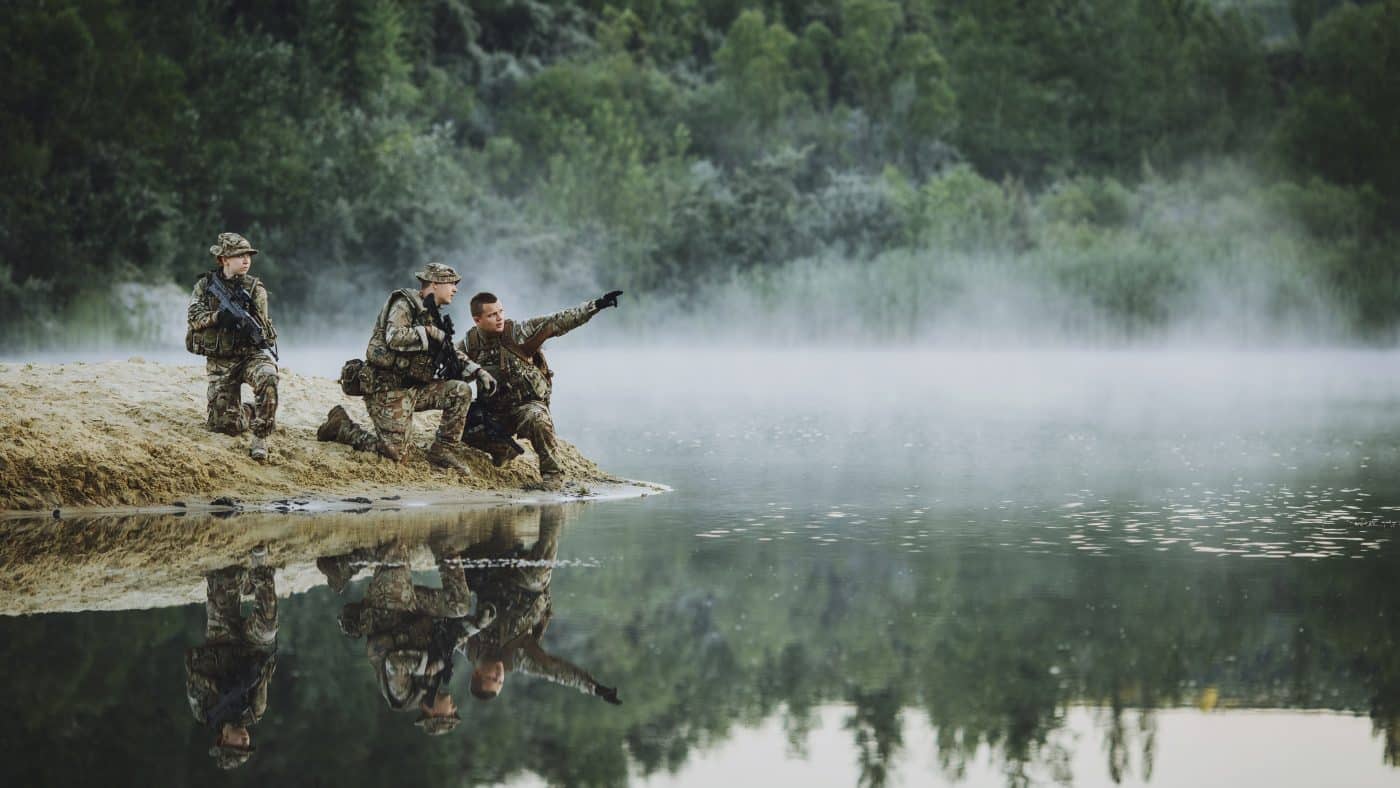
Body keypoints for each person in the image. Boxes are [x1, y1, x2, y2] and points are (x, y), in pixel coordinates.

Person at [316, 263, 496, 473]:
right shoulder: (405, 304)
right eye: (451, 283)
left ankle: (443, 450)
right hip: (388, 389)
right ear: (435, 284)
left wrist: (479, 371)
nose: (455, 289)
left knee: (460, 391)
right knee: (395, 455)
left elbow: (449, 351)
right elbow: (394, 337)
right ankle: (341, 427)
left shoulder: (433, 315)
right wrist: (427, 333)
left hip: (416, 389)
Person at [458, 289, 622, 489]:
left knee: (537, 418)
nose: (500, 317)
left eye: (501, 311)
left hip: (526, 406)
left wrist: (596, 306)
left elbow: (559, 321)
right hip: (493, 412)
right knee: (461, 421)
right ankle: (502, 449)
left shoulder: (518, 331)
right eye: (492, 314)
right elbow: (451, 364)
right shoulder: (469, 344)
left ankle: (553, 476)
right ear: (477, 320)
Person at [334, 539, 495, 735]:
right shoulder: (432, 682)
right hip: (414, 608)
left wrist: (427, 666)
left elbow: (394, 663)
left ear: (432, 713)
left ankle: (345, 565)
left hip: (388, 609)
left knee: (396, 546)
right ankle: (442, 542)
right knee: (460, 605)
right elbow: (449, 642)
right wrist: (478, 625)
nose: (454, 708)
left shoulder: (403, 695)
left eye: (450, 713)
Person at [463, 506, 620, 705]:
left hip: (496, 578)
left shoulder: (468, 646)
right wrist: (594, 688)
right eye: (500, 681)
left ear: (477, 673)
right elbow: (554, 671)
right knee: (542, 564)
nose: (499, 675)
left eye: (493, 678)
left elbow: (441, 630)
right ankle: (551, 503)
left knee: (501, 523)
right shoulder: (519, 659)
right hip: (527, 587)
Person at [186, 232, 279, 460]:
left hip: (250, 356)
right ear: (224, 259)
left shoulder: (256, 289)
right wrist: (219, 317)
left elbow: (265, 330)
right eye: (239, 255)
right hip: (221, 361)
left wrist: (253, 330)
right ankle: (249, 411)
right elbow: (194, 316)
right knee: (225, 425)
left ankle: (260, 437)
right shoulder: (205, 285)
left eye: (248, 255)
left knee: (268, 376)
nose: (246, 260)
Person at [185, 548, 278, 770]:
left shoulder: (204, 711)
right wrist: (250, 675)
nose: (246, 741)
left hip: (221, 640)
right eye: (247, 745)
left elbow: (194, 673)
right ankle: (259, 570)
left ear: (223, 740)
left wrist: (224, 687)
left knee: (224, 577)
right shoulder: (254, 711)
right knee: (267, 627)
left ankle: (240, 583)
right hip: (250, 647)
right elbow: (263, 668)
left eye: (238, 745)